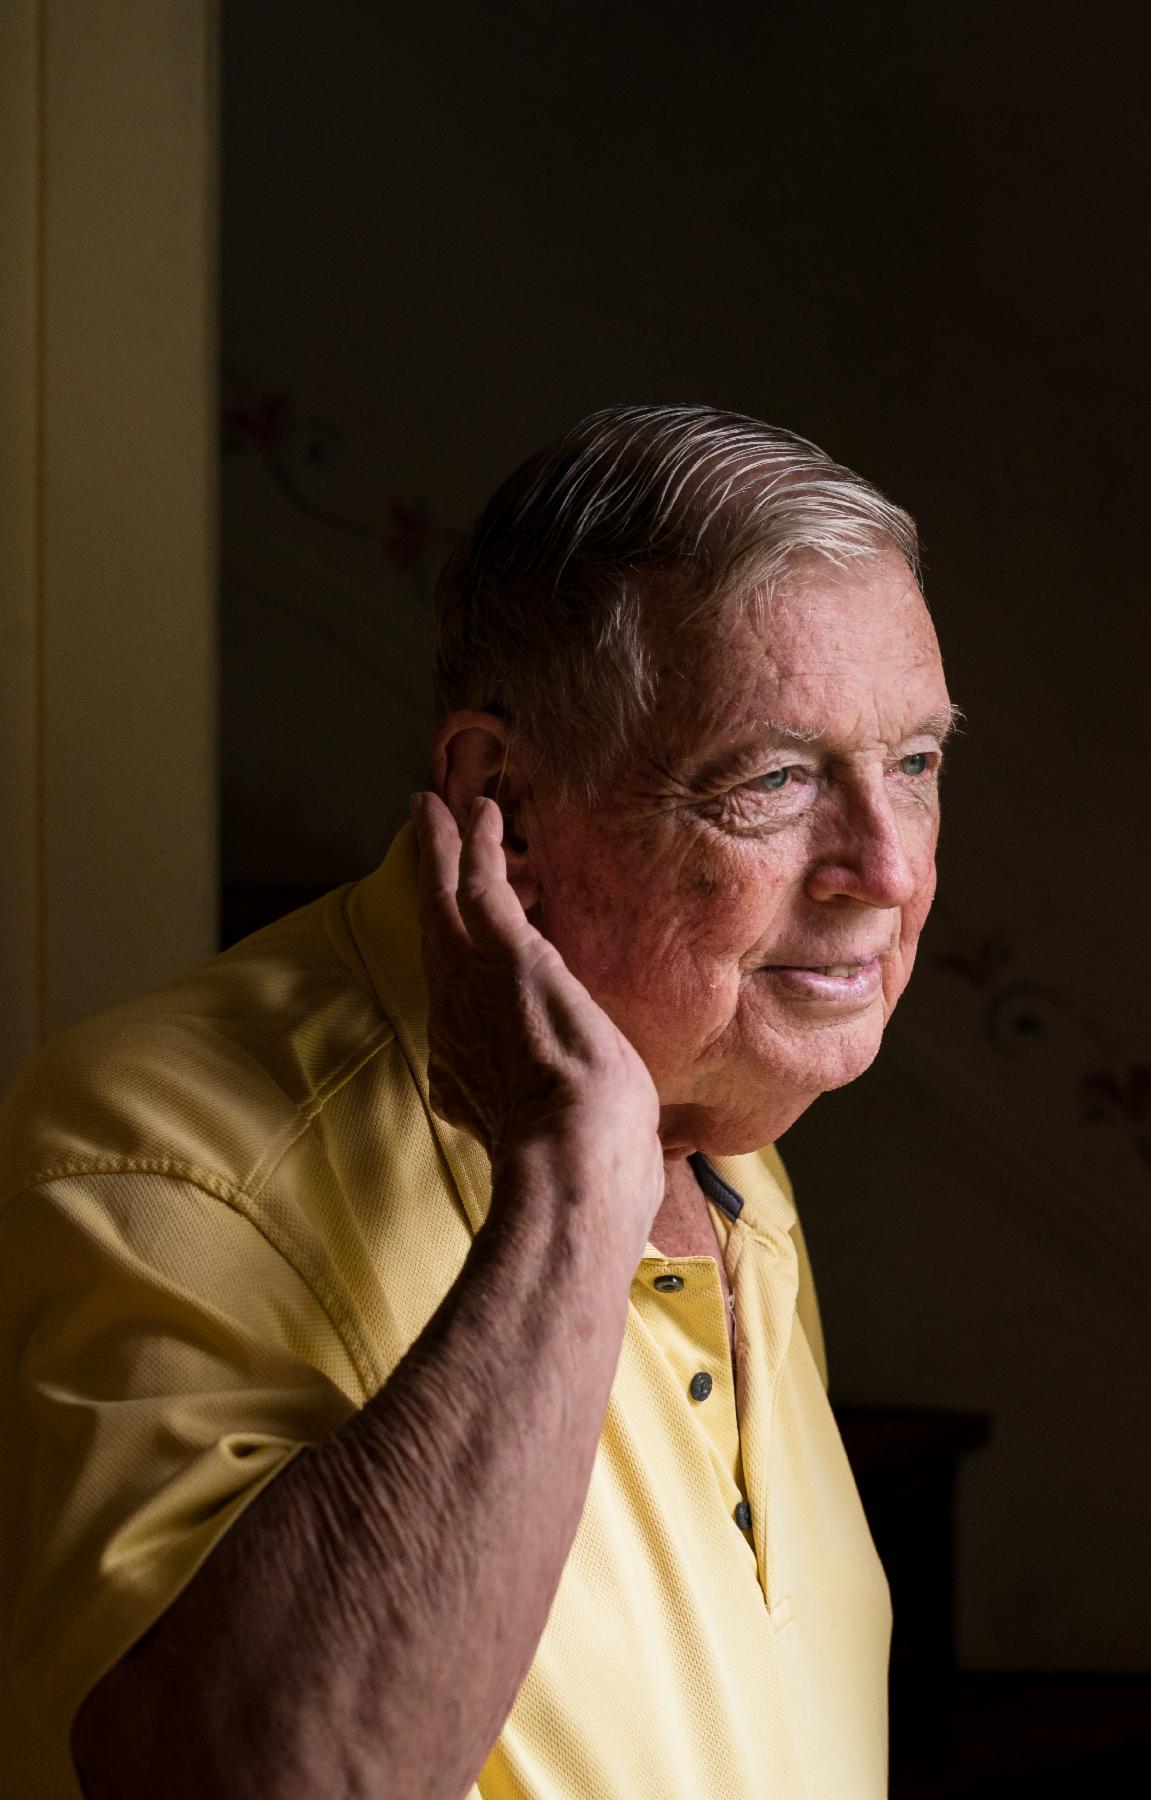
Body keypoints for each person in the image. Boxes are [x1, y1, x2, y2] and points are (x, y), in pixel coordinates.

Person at [0, 405, 955, 1799]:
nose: (882, 868)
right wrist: (572, 1195)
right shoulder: (157, 1149)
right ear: (500, 794)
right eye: (775, 777)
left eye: (917, 766)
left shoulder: (725, 1122)